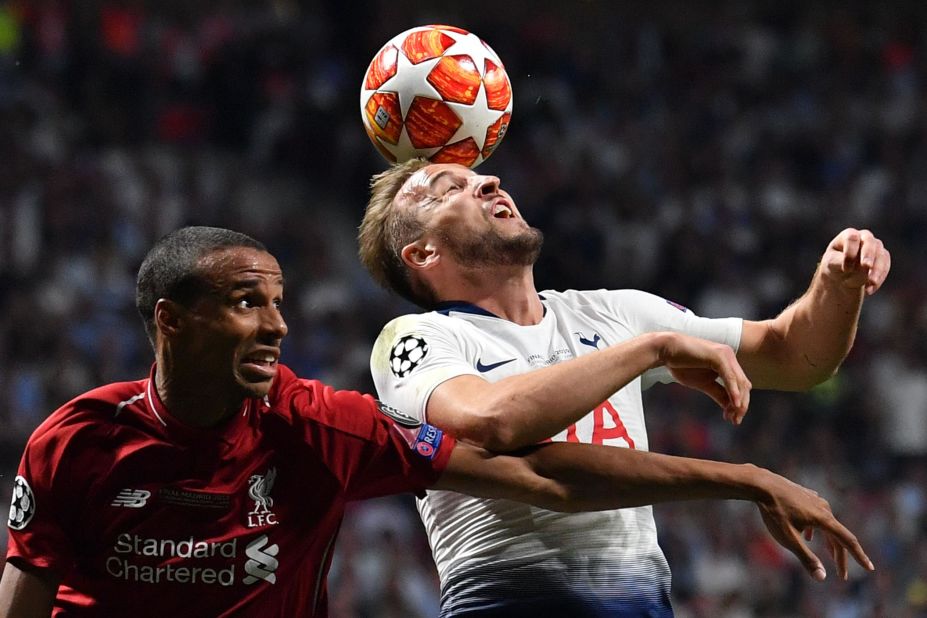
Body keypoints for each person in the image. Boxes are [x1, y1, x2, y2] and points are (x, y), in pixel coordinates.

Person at [1, 226, 873, 617]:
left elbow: (539, 475)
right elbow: (493, 425)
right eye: (245, 303)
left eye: (278, 303)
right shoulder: (77, 440)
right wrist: (650, 353)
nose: (277, 326)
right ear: (171, 320)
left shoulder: (317, 428)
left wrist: (745, 477)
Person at [358, 158, 891, 616]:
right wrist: (650, 350)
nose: (491, 182)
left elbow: (795, 357)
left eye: (481, 176)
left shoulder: (613, 312)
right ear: (423, 254)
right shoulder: (415, 340)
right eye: (451, 189)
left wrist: (836, 283)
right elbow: (492, 420)